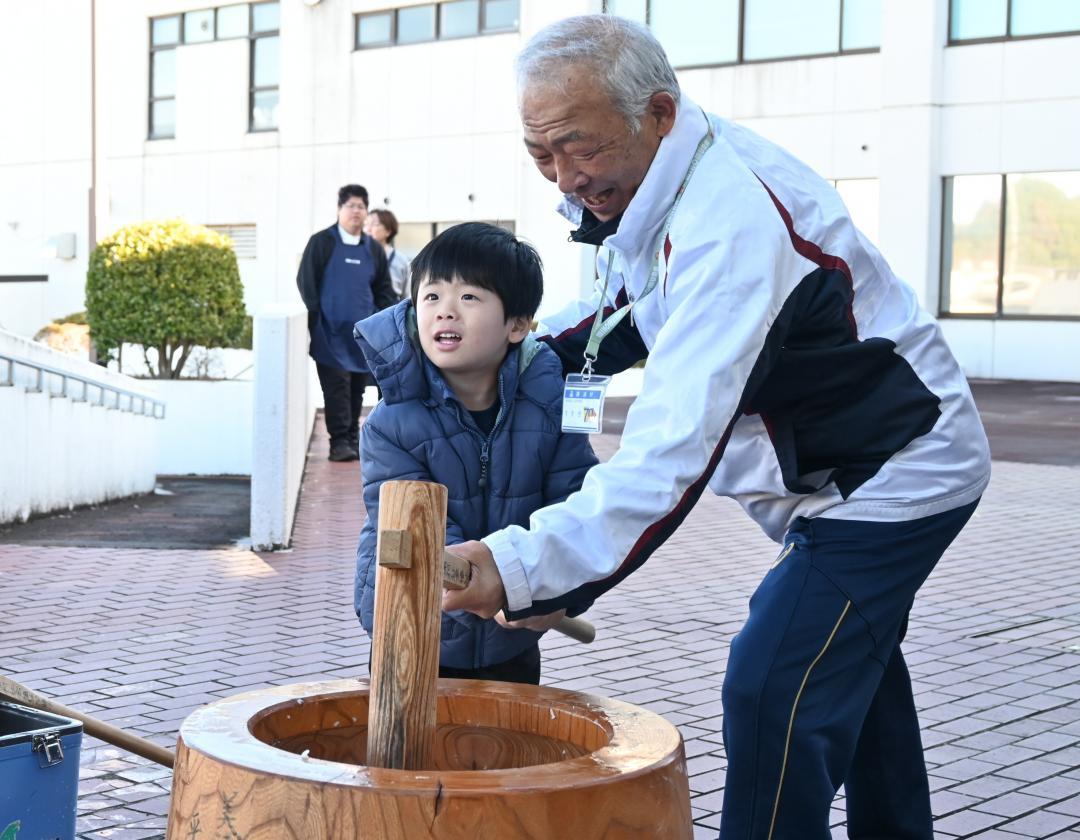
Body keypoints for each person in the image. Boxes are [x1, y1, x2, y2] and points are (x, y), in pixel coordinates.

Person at [441, 15, 992, 838]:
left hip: (898, 474)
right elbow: (611, 313)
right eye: (539, 154)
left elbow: (668, 454)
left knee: (771, 685)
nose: (562, 178)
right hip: (826, 475)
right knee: (853, 679)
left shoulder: (734, 222)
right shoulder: (652, 181)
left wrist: (520, 567)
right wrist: (478, 352)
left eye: (577, 148)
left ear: (658, 112)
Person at [353, 222, 598, 685]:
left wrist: (553, 591)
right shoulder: (392, 421)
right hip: (414, 623)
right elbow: (422, 530)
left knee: (506, 751)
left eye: (469, 297)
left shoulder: (552, 407)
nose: (446, 311)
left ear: (517, 325)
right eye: (431, 297)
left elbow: (575, 509)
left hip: (513, 633)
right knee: (407, 754)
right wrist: (504, 578)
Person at [297, 184, 397, 461]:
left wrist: (379, 321)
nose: (356, 211)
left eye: (361, 206)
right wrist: (318, 318)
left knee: (356, 388)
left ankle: (353, 439)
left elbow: (384, 290)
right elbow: (307, 282)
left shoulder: (373, 250)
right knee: (336, 388)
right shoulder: (322, 242)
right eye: (350, 205)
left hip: (361, 335)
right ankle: (338, 442)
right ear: (339, 209)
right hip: (329, 333)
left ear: (366, 212)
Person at [364, 208, 411, 301]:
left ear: (388, 231)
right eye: (366, 224)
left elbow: (408, 296)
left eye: (374, 225)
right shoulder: (357, 256)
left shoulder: (401, 260)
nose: (367, 229)